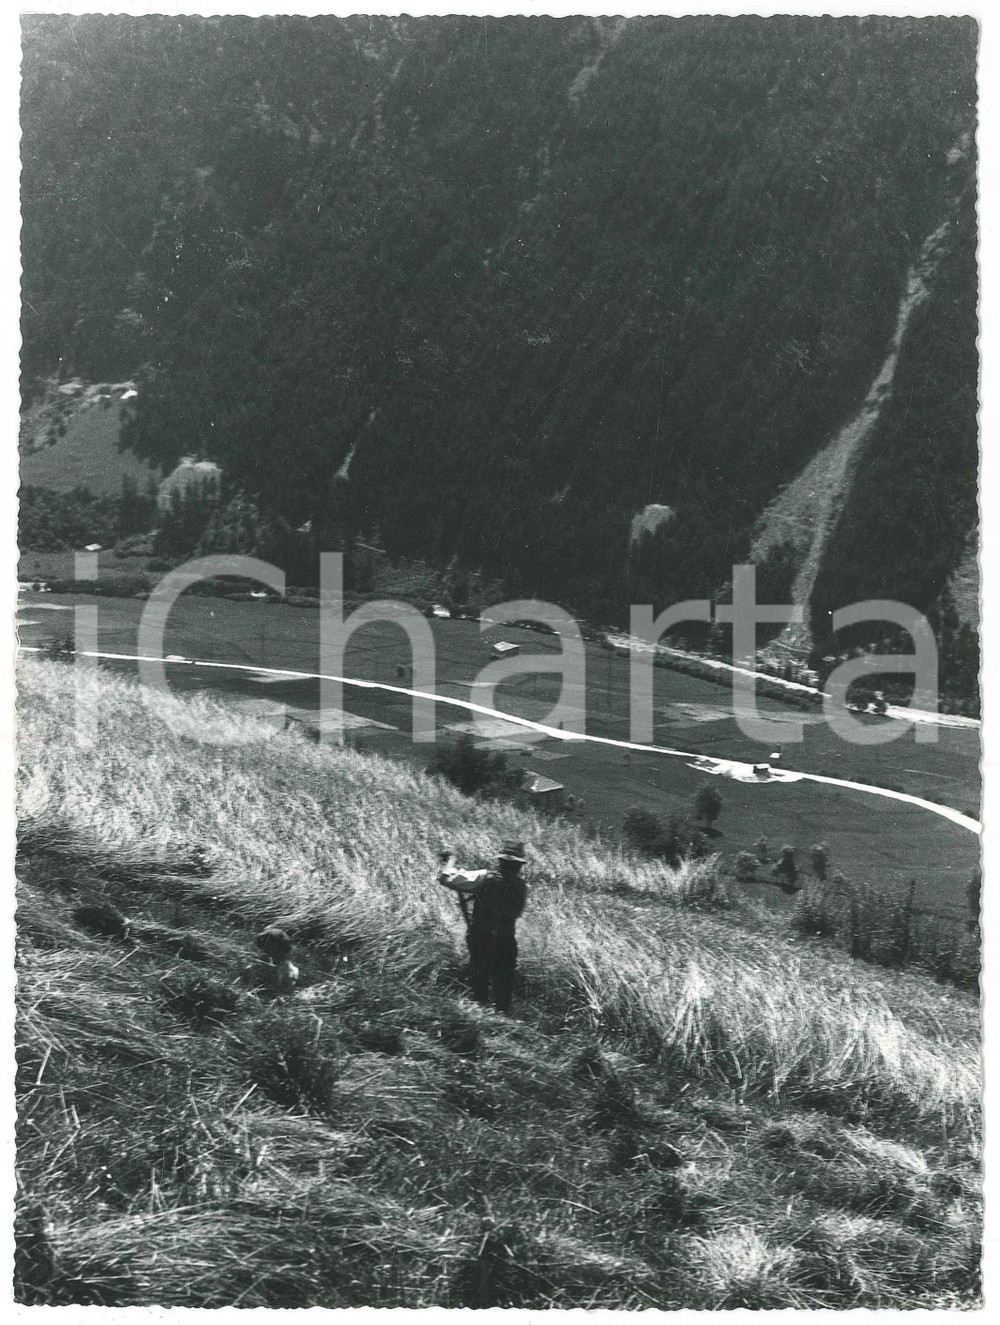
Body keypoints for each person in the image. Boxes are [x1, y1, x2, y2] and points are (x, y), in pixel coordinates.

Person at [437, 841, 529, 1013]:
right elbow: (516, 913)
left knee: (480, 974)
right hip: (506, 938)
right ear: (519, 865)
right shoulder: (521, 887)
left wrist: (450, 861)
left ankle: (480, 1013)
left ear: (500, 861)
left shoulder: (484, 877)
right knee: (504, 981)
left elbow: (445, 878)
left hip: (481, 934)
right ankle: (501, 1016)